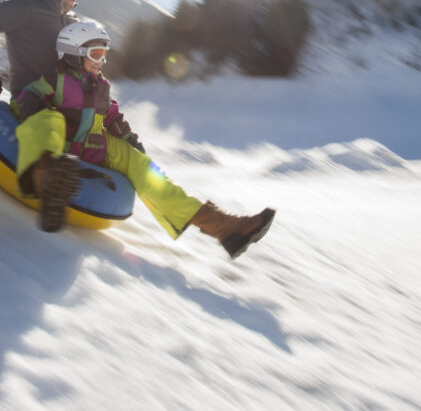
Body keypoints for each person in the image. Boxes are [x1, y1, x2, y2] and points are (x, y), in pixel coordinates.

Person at [14, 19, 275, 260]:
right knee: (49, 120)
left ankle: (225, 228)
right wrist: (31, 108)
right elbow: (29, 97)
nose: (101, 61)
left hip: (93, 148)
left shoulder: (102, 87)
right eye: (95, 54)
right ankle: (47, 178)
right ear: (73, 53)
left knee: (145, 169)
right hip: (58, 144)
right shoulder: (55, 79)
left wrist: (133, 144)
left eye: (104, 55)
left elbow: (113, 118)